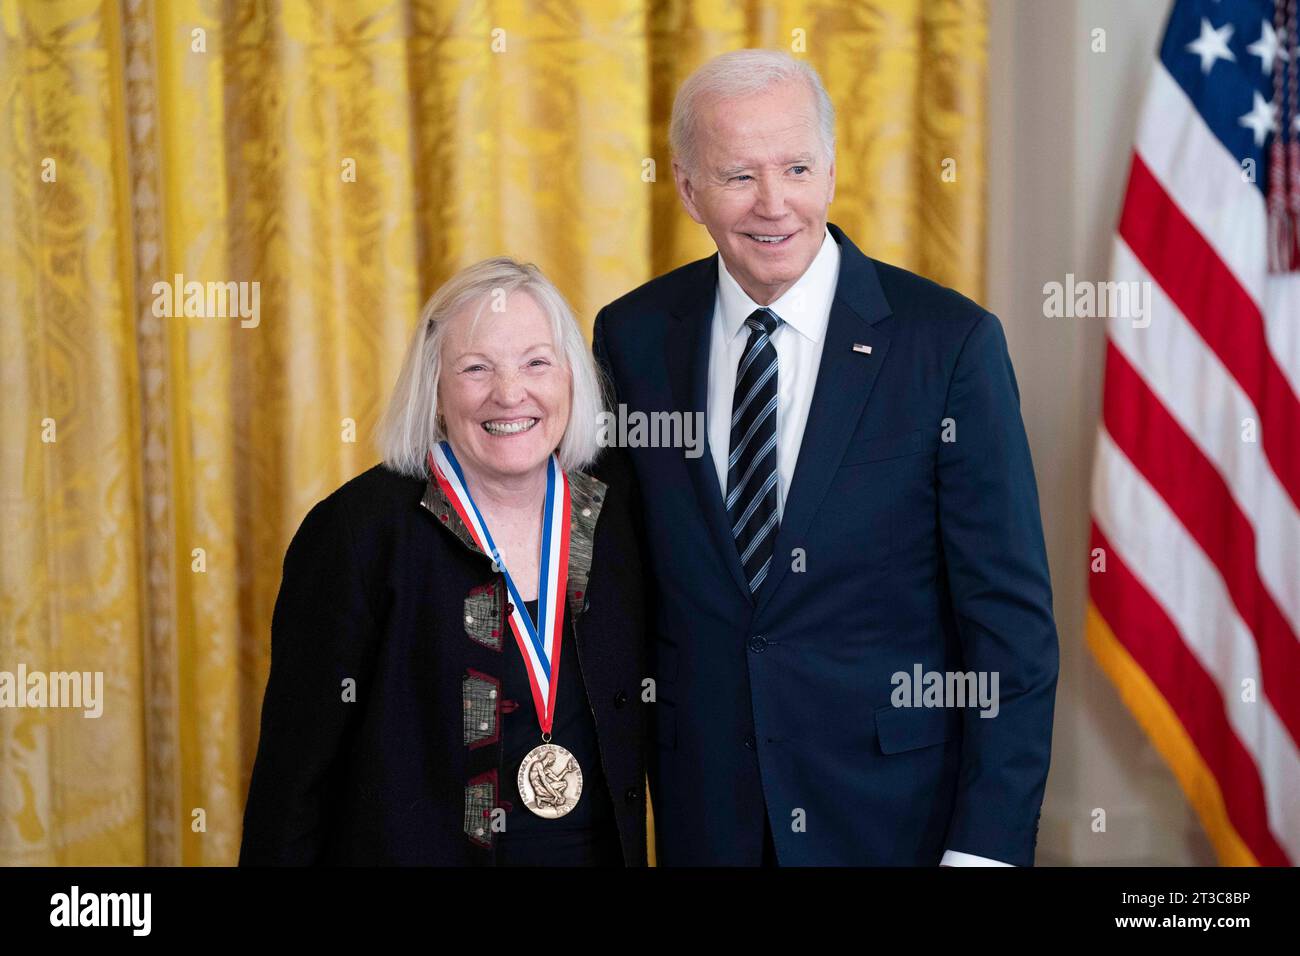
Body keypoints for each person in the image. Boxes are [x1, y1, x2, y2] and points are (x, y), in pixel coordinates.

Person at [593, 49, 1059, 866]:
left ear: (834, 171)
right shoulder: (631, 337)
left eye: (797, 168)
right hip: (707, 818)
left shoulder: (948, 345)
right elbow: (620, 591)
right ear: (686, 186)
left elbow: (1010, 629)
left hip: (896, 821)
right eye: (738, 175)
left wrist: (985, 850)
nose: (774, 204)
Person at [240, 257, 647, 865]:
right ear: (433, 388)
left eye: (536, 362)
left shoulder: (618, 513)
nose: (510, 393)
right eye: (475, 369)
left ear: (572, 378)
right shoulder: (356, 533)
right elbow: (294, 782)